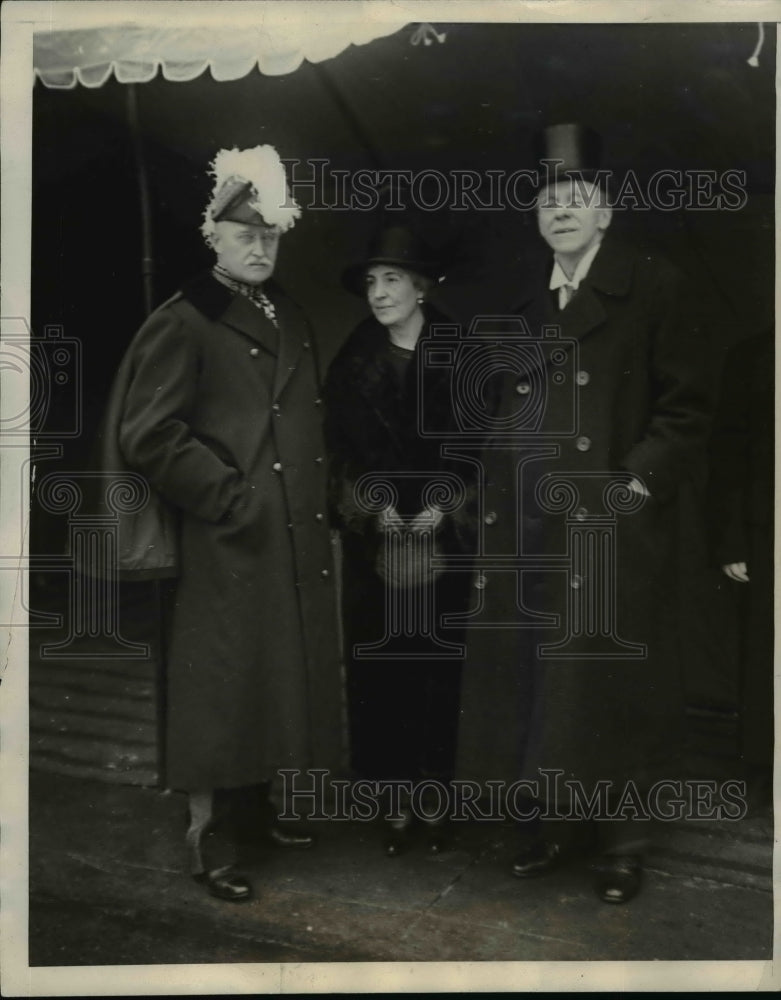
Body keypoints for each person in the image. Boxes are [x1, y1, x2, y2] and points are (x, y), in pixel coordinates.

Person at [456, 124, 712, 903]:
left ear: (605, 211)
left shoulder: (652, 286)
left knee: (610, 679)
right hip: (535, 527)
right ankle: (559, 825)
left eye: (576, 198)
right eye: (547, 200)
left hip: (608, 525)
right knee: (548, 682)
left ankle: (622, 842)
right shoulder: (529, 304)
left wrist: (634, 486)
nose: (560, 211)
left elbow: (686, 408)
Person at [100, 145, 344, 901]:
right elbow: (148, 433)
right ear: (214, 235)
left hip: (284, 538)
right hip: (224, 541)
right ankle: (213, 840)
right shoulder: (187, 319)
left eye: (270, 233)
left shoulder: (289, 310)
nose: (259, 245)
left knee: (267, 682)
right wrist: (229, 497)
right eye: (245, 233)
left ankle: (260, 809)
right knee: (220, 691)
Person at [323, 224, 473, 856]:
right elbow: (332, 457)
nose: (378, 294)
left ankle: (435, 799)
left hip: (443, 548)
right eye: (370, 282)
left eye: (391, 280)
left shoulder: (463, 356)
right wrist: (367, 508)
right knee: (381, 670)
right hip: (379, 550)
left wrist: (448, 505)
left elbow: (483, 450)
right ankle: (390, 803)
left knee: (440, 672)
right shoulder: (351, 360)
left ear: (422, 287)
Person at [707, 330, 774, 808]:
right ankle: (763, 767)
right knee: (765, 652)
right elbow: (727, 450)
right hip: (765, 528)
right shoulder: (754, 351)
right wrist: (731, 537)